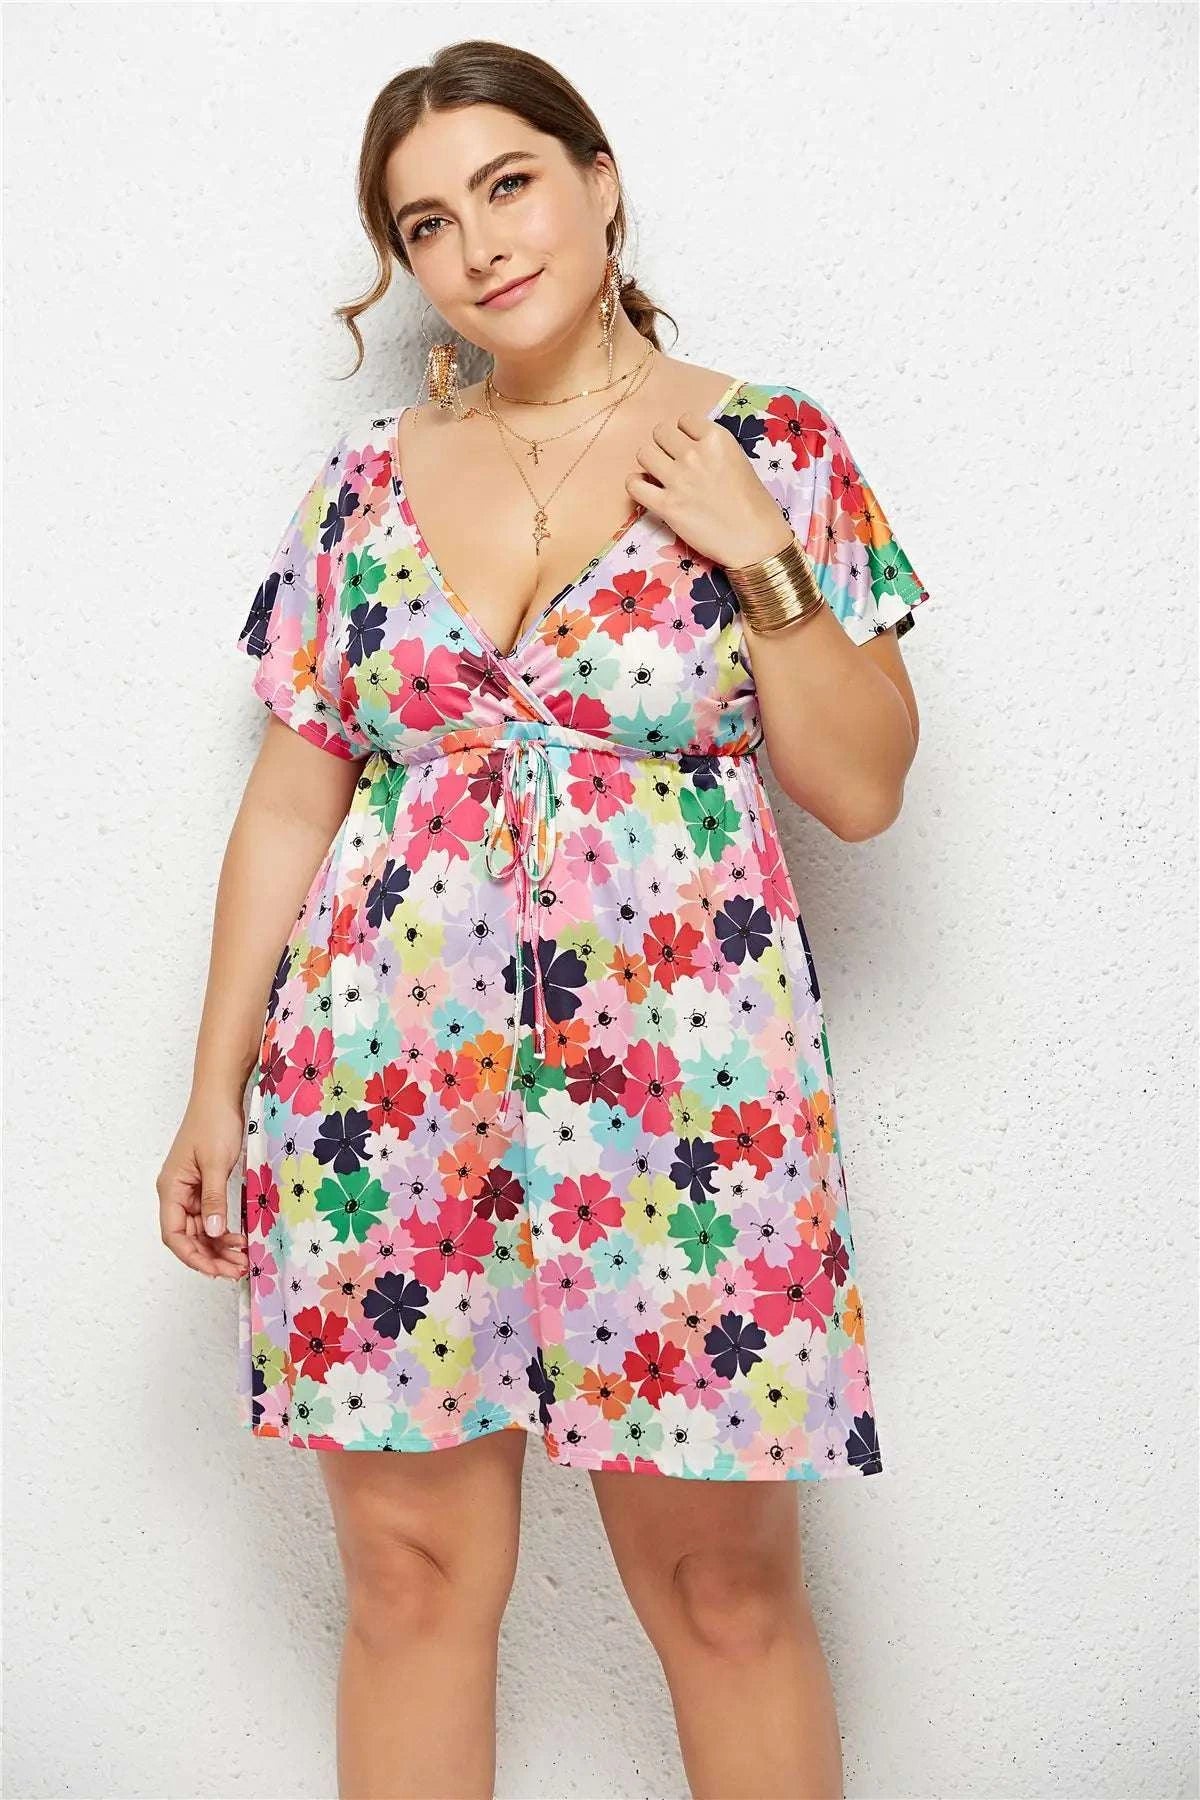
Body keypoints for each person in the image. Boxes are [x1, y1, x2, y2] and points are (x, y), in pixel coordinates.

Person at [157, 37, 930, 1800]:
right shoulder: (364, 485)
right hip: (378, 1099)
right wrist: (212, 1092)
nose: (480, 242)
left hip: (688, 1105)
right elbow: (290, 802)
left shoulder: (767, 444)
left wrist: (758, 552)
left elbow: (866, 786)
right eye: (427, 222)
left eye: (508, 183)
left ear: (598, 180)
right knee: (410, 1583)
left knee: (726, 1594)